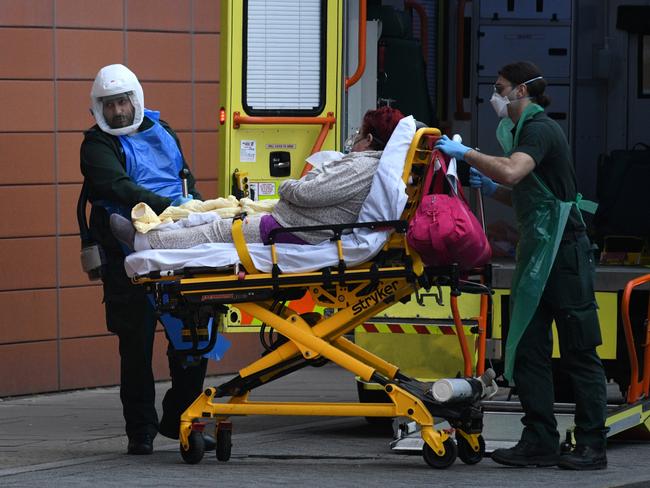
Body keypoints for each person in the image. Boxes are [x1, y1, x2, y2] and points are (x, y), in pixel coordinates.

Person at [435, 61, 608, 470]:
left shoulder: (540, 129)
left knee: (580, 351)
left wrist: (468, 156)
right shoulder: (518, 132)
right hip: (537, 252)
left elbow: (515, 170)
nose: (496, 95)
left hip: (564, 253)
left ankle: (591, 444)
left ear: (521, 91)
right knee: (529, 350)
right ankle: (539, 440)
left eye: (501, 88)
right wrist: (493, 191)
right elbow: (531, 196)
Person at [80, 64, 214, 455]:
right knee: (135, 344)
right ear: (98, 108)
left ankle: (181, 419)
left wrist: (199, 210)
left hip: (177, 244)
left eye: (123, 102)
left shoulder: (164, 131)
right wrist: (171, 208)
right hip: (127, 254)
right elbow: (117, 186)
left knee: (193, 337)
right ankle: (140, 431)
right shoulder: (97, 146)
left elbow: (185, 180)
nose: (118, 112)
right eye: (109, 105)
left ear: (135, 99)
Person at [110, 106, 405, 251]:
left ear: (369, 139)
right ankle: (158, 228)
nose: (353, 142)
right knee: (221, 210)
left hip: (296, 228)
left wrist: (290, 185)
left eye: (358, 136)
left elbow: (307, 194)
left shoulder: (361, 167)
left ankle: (146, 243)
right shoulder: (368, 166)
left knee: (219, 230)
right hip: (299, 222)